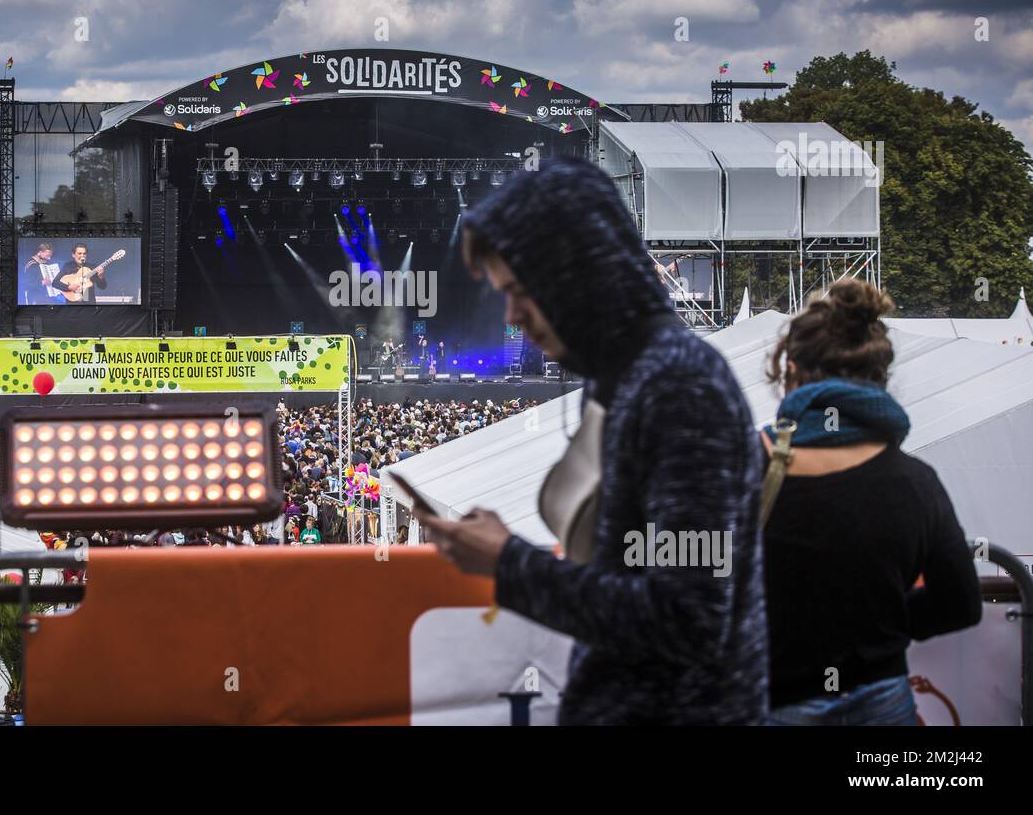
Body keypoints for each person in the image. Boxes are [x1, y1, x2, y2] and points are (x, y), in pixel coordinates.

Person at [413, 156, 767, 725]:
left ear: (578, 275)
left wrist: (509, 563)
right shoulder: (618, 380)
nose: (513, 316)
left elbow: (689, 617)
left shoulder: (681, 389)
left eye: (522, 291)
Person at [761, 280, 981, 725]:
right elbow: (960, 602)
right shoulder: (916, 482)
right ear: (879, 377)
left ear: (790, 369)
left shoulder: (743, 467)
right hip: (881, 696)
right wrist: (882, 625)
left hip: (772, 697)